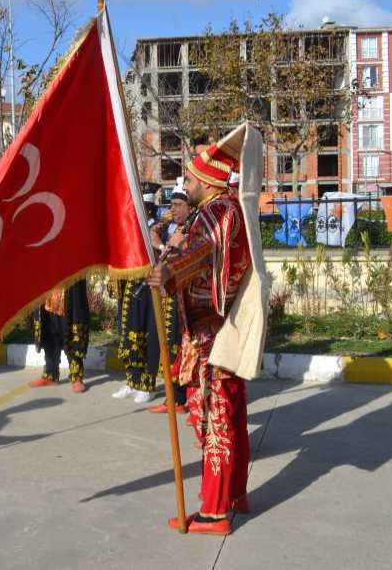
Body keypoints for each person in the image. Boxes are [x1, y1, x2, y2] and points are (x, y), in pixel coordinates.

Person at [147, 129, 254, 535]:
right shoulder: (227, 208)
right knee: (233, 415)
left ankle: (213, 511)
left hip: (211, 335)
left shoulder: (215, 212)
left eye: (190, 180)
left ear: (207, 182)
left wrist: (170, 271)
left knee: (214, 420)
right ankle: (235, 494)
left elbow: (201, 249)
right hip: (225, 330)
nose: (185, 186)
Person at [111, 182, 163, 404]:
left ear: (148, 209)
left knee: (148, 335)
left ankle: (147, 384)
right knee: (130, 333)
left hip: (150, 287)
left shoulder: (159, 229)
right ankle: (132, 380)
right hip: (132, 285)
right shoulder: (132, 230)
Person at [147, 180, 193, 415]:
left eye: (176, 205)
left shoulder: (191, 229)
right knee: (167, 345)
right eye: (170, 205)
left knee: (178, 346)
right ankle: (173, 397)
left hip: (183, 298)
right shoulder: (173, 227)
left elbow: (180, 258)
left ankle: (180, 399)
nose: (171, 210)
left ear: (189, 207)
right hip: (169, 297)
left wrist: (161, 245)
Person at [29, 280, 91, 392]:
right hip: (48, 288)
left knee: (71, 331)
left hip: (69, 286)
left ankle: (76, 377)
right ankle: (50, 374)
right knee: (48, 331)